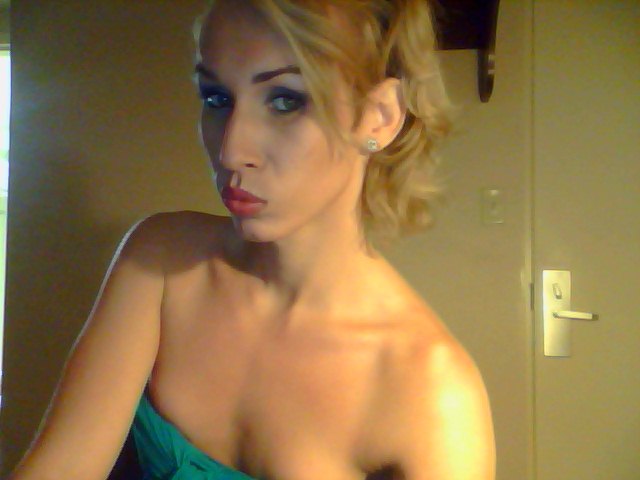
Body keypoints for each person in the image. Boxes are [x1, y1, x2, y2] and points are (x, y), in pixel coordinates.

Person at [10, 0, 495, 478]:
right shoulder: (161, 259)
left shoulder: (432, 395)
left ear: (379, 116)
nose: (230, 150)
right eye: (216, 98)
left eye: (286, 100)